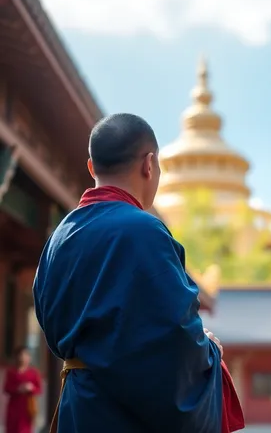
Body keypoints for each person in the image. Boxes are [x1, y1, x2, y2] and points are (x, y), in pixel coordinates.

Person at [34, 113, 242, 433]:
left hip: (77, 409)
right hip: (124, 415)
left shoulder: (58, 239)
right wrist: (210, 349)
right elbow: (175, 334)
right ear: (149, 164)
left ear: (92, 167)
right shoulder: (146, 231)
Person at [3, 346, 43, 433]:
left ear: (29, 357)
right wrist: (18, 389)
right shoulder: (11, 372)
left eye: (25, 355)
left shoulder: (34, 373)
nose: (22, 358)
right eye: (20, 355)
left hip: (27, 407)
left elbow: (39, 389)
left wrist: (31, 388)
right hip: (14, 407)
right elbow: (6, 388)